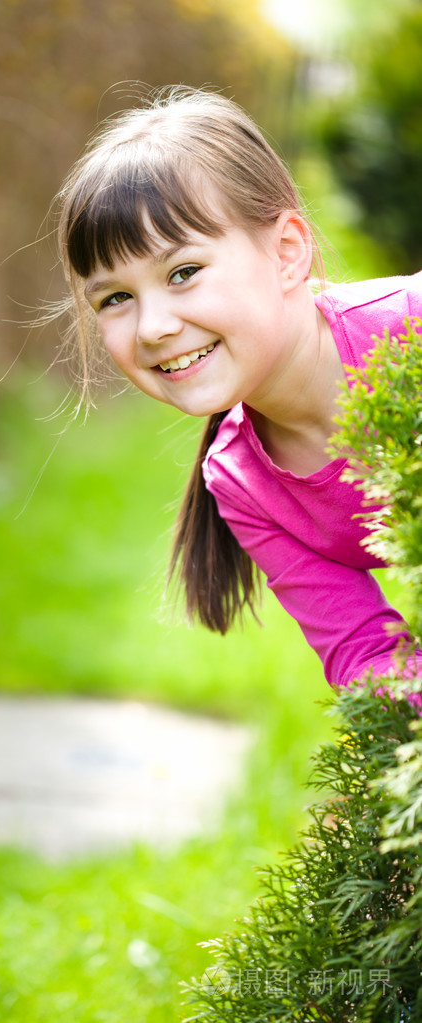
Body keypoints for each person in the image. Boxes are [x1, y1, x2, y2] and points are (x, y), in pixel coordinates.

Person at [53, 85, 422, 694]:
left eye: (183, 272)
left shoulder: (410, 325)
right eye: (115, 298)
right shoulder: (240, 482)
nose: (153, 327)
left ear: (286, 252)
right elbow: (363, 652)